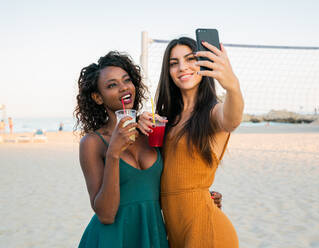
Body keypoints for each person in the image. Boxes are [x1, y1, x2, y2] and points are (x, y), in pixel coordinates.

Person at [74, 51, 222, 248]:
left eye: (127, 80)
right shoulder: (92, 143)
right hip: (113, 239)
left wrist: (202, 196)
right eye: (112, 85)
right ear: (98, 97)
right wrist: (113, 154)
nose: (123, 87)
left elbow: (168, 186)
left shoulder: (152, 133)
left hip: (151, 235)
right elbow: (106, 214)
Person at [138, 37, 244, 247]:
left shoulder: (213, 112)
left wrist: (232, 86)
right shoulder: (168, 118)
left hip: (207, 230)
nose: (182, 67)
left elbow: (232, 119)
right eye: (174, 63)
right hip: (174, 232)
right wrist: (139, 121)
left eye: (190, 59)